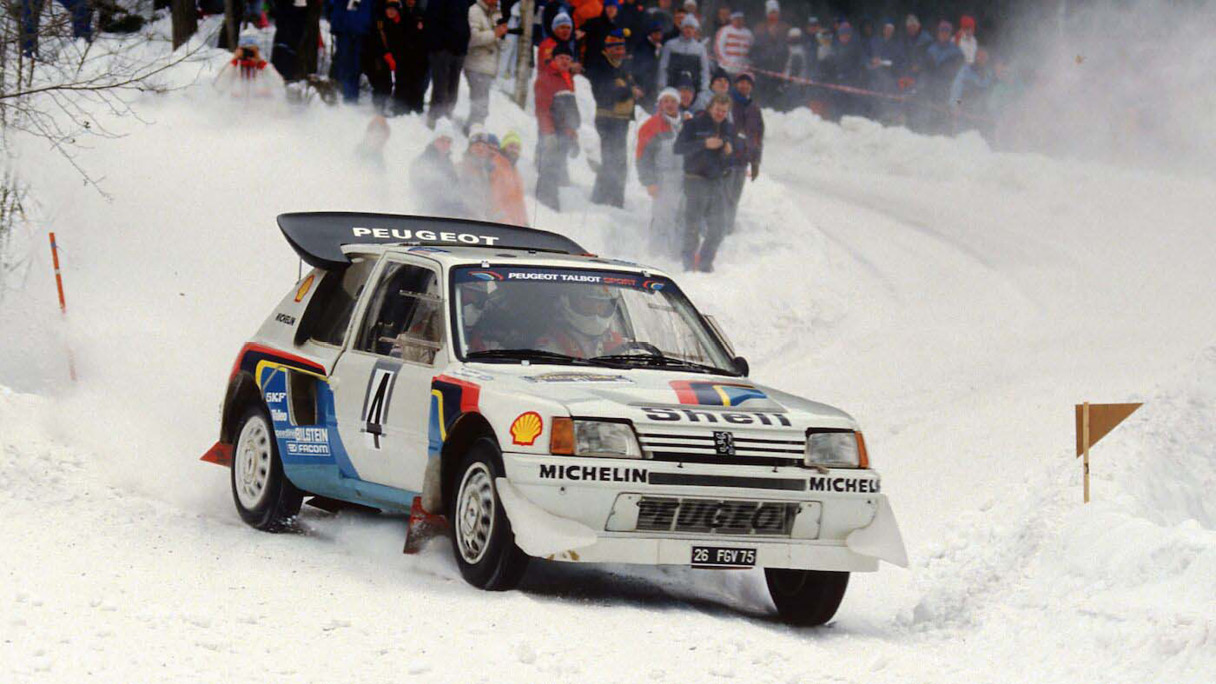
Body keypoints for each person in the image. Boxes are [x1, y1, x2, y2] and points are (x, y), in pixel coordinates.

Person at [674, 93, 734, 272]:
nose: (720, 114)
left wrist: (728, 153)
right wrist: (703, 144)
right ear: (710, 107)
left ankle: (705, 262)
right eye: (717, 110)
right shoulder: (693, 124)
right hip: (695, 179)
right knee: (692, 224)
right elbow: (678, 148)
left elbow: (729, 160)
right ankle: (688, 262)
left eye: (724, 111)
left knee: (719, 226)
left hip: (716, 181)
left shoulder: (728, 128)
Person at [587, 29, 640, 207]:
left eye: (621, 48)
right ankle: (600, 199)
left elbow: (628, 86)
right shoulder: (600, 66)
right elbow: (605, 93)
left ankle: (616, 200)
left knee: (620, 162)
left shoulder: (623, 67)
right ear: (608, 49)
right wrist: (628, 91)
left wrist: (627, 89)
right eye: (615, 49)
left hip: (622, 120)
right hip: (607, 119)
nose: (619, 52)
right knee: (609, 160)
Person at [636, 88, 686, 258]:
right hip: (663, 179)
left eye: (673, 101)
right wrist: (649, 182)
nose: (669, 105)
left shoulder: (686, 123)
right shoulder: (651, 126)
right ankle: (656, 257)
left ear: (678, 103)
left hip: (684, 179)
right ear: (660, 104)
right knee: (661, 219)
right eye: (666, 101)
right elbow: (642, 157)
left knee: (681, 218)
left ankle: (677, 256)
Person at [534, 43, 581, 210]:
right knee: (548, 167)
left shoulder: (567, 78)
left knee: (557, 167)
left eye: (568, 58)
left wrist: (573, 134)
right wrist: (548, 134)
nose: (565, 61)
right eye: (561, 57)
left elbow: (569, 110)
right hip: (551, 133)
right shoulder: (546, 78)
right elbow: (542, 109)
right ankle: (544, 204)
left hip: (564, 133)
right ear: (553, 58)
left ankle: (551, 204)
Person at [365, 0, 428, 115]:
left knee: (405, 79)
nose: (390, 12)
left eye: (393, 9)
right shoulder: (380, 22)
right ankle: (379, 106)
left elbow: (406, 42)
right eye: (388, 9)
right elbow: (375, 42)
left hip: (400, 57)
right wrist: (387, 55)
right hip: (380, 56)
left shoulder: (405, 21)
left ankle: (402, 107)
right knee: (382, 81)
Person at [534, 286, 626, 358]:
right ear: (568, 302)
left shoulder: (623, 344)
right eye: (587, 300)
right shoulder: (550, 346)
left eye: (602, 302)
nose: (595, 308)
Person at [425, 0, 471, 126]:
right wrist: (438, 45)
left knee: (453, 86)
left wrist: (463, 45)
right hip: (442, 47)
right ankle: (435, 118)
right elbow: (431, 19)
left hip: (458, 48)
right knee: (441, 86)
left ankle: (447, 116)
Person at [725, 72, 761, 231]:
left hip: (742, 160)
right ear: (735, 84)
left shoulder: (754, 108)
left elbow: (758, 137)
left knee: (734, 198)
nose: (744, 86)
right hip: (726, 158)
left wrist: (755, 162)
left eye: (748, 83)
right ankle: (716, 229)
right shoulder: (728, 102)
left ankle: (728, 228)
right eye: (741, 82)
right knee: (722, 197)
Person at [466, 0, 505, 131]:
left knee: (482, 103)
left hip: (489, 65)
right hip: (476, 63)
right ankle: (473, 131)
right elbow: (472, 37)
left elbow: (500, 41)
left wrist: (501, 36)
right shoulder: (474, 11)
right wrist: (495, 34)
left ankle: (475, 130)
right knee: (479, 104)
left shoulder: (496, 14)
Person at [411, 121, 465, 217]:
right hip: (428, 212)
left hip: (449, 211)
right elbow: (420, 190)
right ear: (434, 140)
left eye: (448, 141)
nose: (445, 144)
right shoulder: (423, 161)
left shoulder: (449, 163)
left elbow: (456, 188)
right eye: (442, 140)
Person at [325, 0, 375, 102]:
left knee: (354, 66)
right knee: (345, 65)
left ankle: (350, 99)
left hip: (358, 28)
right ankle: (343, 98)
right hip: (346, 27)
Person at [658, 15, 710, 98]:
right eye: (686, 27)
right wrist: (662, 85)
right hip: (672, 84)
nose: (688, 30)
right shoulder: (670, 45)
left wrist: (704, 88)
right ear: (682, 28)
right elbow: (663, 67)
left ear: (695, 30)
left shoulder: (700, 48)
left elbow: (704, 70)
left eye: (691, 28)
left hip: (693, 87)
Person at [748, 0, 789, 106]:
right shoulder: (759, 28)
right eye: (771, 12)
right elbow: (754, 49)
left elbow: (787, 48)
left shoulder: (784, 27)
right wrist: (758, 61)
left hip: (778, 69)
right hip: (762, 69)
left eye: (775, 12)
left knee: (777, 97)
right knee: (762, 95)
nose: (773, 15)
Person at [631, 22, 666, 113]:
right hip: (643, 87)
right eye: (656, 34)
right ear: (651, 34)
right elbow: (638, 68)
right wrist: (639, 85)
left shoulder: (659, 48)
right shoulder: (643, 47)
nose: (658, 36)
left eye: (660, 34)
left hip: (653, 87)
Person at [714, 10, 753, 77]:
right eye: (736, 19)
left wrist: (748, 63)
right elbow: (718, 48)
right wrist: (725, 61)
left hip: (743, 69)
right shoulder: (724, 31)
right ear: (732, 19)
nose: (739, 21)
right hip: (727, 69)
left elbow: (752, 49)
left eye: (740, 19)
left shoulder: (748, 33)